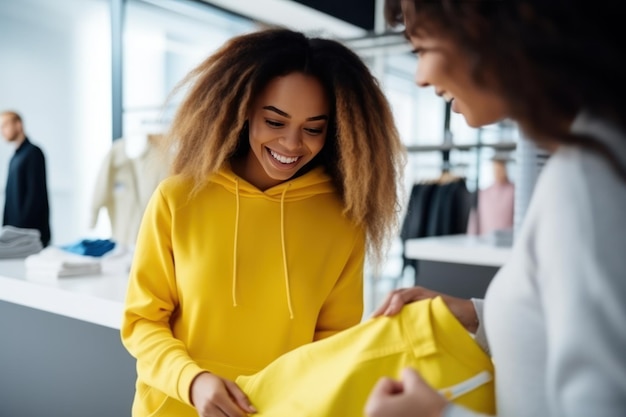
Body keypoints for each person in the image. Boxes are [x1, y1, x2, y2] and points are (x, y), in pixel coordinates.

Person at [120, 28, 405, 417]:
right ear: (244, 110)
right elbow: (141, 322)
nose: (291, 144)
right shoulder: (178, 198)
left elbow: (332, 344)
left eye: (313, 128)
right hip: (173, 407)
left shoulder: (342, 221)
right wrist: (193, 381)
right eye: (275, 121)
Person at [365, 1, 626, 417]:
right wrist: (475, 314)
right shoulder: (589, 157)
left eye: (423, 50)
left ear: (486, 32)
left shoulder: (592, 177)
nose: (419, 78)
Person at [1, 110, 51, 247]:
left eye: (5, 125)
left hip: (29, 235)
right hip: (13, 234)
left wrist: (21, 233)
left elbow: (35, 196)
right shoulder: (15, 158)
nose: (2, 131)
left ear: (18, 125)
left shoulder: (33, 153)